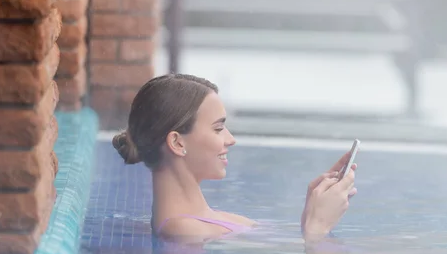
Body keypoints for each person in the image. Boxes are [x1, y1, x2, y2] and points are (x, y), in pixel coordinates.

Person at [112, 74, 357, 242]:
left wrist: (314, 213)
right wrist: (317, 229)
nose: (231, 139)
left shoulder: (208, 220)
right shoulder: (183, 231)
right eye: (218, 128)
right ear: (177, 142)